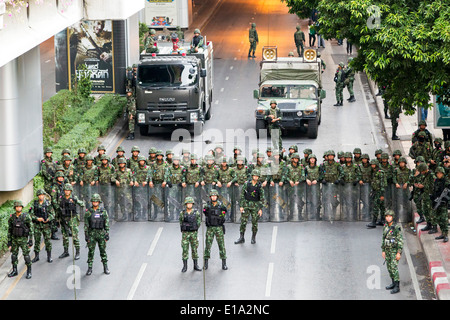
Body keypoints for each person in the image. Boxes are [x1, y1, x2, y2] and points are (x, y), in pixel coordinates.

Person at [235, 169, 267, 245]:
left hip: (255, 205)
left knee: (254, 222)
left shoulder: (259, 186)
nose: (255, 177)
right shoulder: (247, 184)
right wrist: (241, 205)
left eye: (257, 176)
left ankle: (253, 238)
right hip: (246, 204)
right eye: (254, 176)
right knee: (243, 221)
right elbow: (242, 195)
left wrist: (260, 208)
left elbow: (262, 198)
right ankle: (241, 237)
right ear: (252, 176)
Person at [84, 193, 110, 275]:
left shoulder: (103, 212)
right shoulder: (88, 212)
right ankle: (90, 268)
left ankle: (105, 267)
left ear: (99, 202)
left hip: (101, 233)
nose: (95, 203)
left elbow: (106, 223)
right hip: (92, 234)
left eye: (96, 201)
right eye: (93, 201)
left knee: (103, 251)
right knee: (91, 252)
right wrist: (86, 236)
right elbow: (86, 225)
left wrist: (107, 234)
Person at [57, 183, 84, 260]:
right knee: (65, 237)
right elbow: (59, 208)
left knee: (75, 236)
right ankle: (66, 251)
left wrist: (75, 201)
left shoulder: (73, 197)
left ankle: (77, 252)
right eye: (66, 190)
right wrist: (58, 219)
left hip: (72, 219)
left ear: (71, 191)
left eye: (68, 190)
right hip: (63, 219)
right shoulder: (61, 198)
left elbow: (82, 204)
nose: (67, 192)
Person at [7, 200, 34, 279]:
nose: (18, 208)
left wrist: (30, 240)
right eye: (17, 207)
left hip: (23, 240)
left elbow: (31, 228)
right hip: (15, 239)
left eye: (20, 207)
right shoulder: (12, 217)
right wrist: (9, 242)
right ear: (15, 208)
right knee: (14, 256)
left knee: (26, 256)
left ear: (22, 207)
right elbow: (10, 230)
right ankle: (15, 270)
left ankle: (29, 271)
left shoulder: (26, 217)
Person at [203, 189, 228, 270]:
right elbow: (205, 212)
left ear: (217, 196)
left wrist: (221, 216)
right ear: (210, 197)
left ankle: (224, 263)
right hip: (210, 228)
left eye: (215, 196)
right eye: (212, 196)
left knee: (221, 246)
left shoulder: (221, 205)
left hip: (218, 227)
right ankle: (206, 263)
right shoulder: (207, 206)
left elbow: (225, 211)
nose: (213, 197)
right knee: (207, 246)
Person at [30, 189, 55, 263]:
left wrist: (48, 219)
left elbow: (53, 214)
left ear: (44, 195)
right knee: (37, 241)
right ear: (38, 196)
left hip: (46, 225)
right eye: (39, 195)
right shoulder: (34, 204)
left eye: (42, 195)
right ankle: (36, 256)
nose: (41, 196)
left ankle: (49, 256)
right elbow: (30, 214)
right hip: (37, 225)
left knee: (47, 241)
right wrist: (37, 218)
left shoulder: (48, 204)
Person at [381, 210, 403, 294]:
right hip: (387, 250)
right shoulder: (385, 226)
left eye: (390, 216)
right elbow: (383, 239)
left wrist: (398, 253)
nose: (388, 218)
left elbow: (400, 240)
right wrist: (383, 250)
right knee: (389, 268)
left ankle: (397, 286)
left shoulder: (396, 227)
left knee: (394, 268)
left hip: (394, 251)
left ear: (393, 217)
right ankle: (393, 283)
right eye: (387, 216)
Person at [179, 196, 202, 272]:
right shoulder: (182, 213)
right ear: (186, 204)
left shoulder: (196, 213)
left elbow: (199, 222)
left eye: (190, 204)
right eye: (188, 204)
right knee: (185, 250)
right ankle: (185, 266)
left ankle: (195, 265)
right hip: (185, 234)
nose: (189, 205)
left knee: (194, 249)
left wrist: (194, 228)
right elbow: (181, 222)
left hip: (193, 233)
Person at [366, 159, 387, 228]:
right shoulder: (374, 172)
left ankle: (374, 222)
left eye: (374, 164)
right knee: (381, 207)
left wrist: (382, 194)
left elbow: (383, 184)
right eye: (371, 165)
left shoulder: (380, 173)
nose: (372, 166)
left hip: (379, 192)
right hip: (376, 191)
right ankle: (382, 220)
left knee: (376, 207)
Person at [432, 167, 449, 242]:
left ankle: (446, 235)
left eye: (440, 173)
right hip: (437, 202)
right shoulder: (436, 181)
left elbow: (448, 191)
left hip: (443, 203)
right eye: (437, 173)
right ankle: (442, 233)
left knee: (444, 219)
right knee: (438, 219)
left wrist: (445, 199)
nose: (439, 174)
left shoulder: (446, 181)